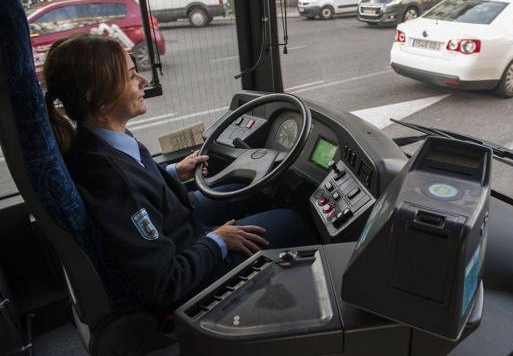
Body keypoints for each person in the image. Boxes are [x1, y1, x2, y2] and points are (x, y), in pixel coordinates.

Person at [44, 33, 313, 311]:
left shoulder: (100, 141)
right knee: (291, 220)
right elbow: (166, 282)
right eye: (131, 76)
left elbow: (140, 186)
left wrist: (172, 172)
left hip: (183, 230)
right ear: (96, 97)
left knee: (245, 191)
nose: (144, 82)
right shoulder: (111, 180)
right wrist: (218, 240)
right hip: (189, 272)